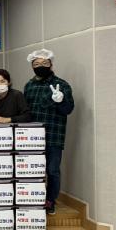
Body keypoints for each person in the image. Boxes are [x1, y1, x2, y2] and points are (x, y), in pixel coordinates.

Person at [24, 49, 74, 215]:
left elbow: (68, 110)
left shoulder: (62, 85)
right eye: (36, 64)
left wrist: (61, 101)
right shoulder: (29, 85)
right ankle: (32, 199)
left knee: (52, 170)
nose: (40, 66)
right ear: (32, 66)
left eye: (44, 63)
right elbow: (25, 111)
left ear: (51, 65)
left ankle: (50, 200)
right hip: (31, 137)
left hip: (53, 135)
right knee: (32, 171)